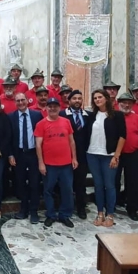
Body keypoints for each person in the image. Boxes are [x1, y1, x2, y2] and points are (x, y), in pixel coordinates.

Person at [35, 97, 78, 228]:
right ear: (46, 108)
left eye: (55, 106)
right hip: (49, 165)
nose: (52, 108)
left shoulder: (66, 122)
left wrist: (74, 158)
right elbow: (38, 145)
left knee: (67, 190)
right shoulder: (41, 124)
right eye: (50, 106)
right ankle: (51, 215)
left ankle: (65, 215)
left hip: (66, 164)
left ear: (60, 108)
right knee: (48, 191)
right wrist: (41, 163)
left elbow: (71, 141)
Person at [87, 89, 126, 228]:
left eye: (100, 97)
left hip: (109, 155)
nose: (97, 100)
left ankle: (110, 214)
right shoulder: (92, 116)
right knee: (98, 185)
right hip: (92, 154)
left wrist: (116, 155)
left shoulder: (117, 115)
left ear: (106, 98)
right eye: (95, 98)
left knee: (109, 185)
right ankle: (100, 213)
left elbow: (122, 136)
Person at [8, 92, 43, 223]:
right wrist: (10, 154)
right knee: (20, 183)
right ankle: (23, 209)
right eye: (18, 101)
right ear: (15, 103)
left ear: (27, 101)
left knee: (34, 183)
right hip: (19, 154)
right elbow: (9, 138)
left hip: (33, 153)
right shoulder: (11, 117)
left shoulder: (36, 115)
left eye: (23, 100)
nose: (21, 103)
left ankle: (34, 211)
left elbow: (41, 136)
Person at [59, 89, 92, 219]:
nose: (77, 101)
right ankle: (65, 207)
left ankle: (81, 208)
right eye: (74, 98)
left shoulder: (89, 115)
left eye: (79, 98)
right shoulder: (62, 114)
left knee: (80, 183)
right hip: (65, 154)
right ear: (69, 100)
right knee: (65, 183)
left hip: (83, 155)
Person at [115, 92, 138, 221]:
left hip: (133, 155)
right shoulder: (114, 117)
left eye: (129, 102)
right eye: (123, 102)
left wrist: (134, 144)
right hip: (116, 154)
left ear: (133, 104)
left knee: (133, 182)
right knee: (114, 181)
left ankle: (132, 209)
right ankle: (114, 203)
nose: (126, 104)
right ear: (118, 103)